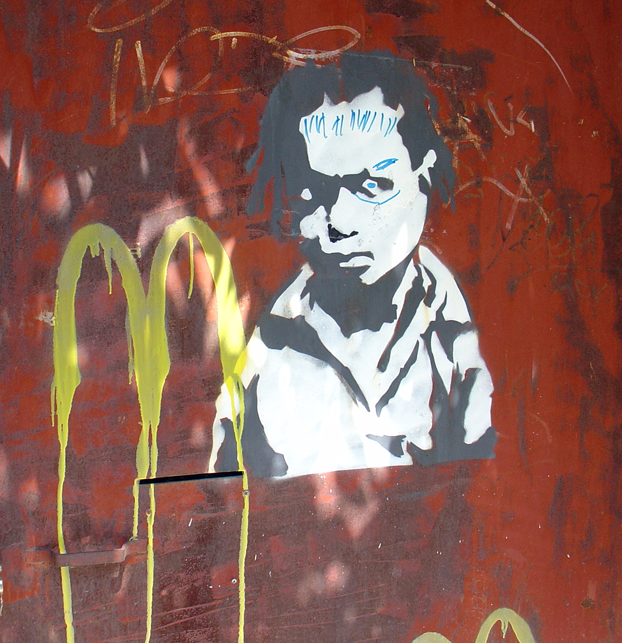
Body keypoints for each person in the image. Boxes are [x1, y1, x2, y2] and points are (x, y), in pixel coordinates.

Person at [211, 51, 495, 479]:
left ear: (424, 176)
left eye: (373, 186)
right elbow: (223, 492)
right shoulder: (268, 352)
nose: (338, 223)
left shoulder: (456, 343)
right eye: (311, 192)